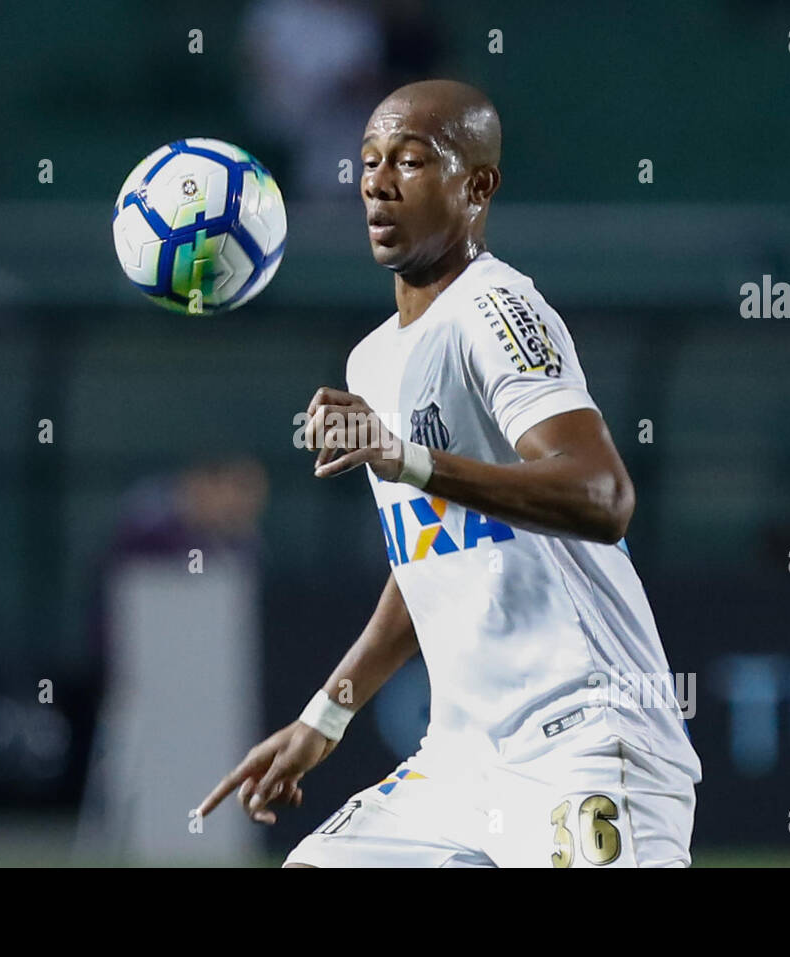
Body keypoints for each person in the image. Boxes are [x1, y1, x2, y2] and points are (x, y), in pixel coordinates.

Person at [198, 79, 701, 867]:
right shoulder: (374, 358)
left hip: (586, 742)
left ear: (478, 186)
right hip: (460, 762)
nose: (378, 181)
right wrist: (324, 717)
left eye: (410, 160)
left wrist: (407, 457)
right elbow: (429, 558)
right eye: (367, 161)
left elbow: (604, 496)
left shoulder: (496, 306)